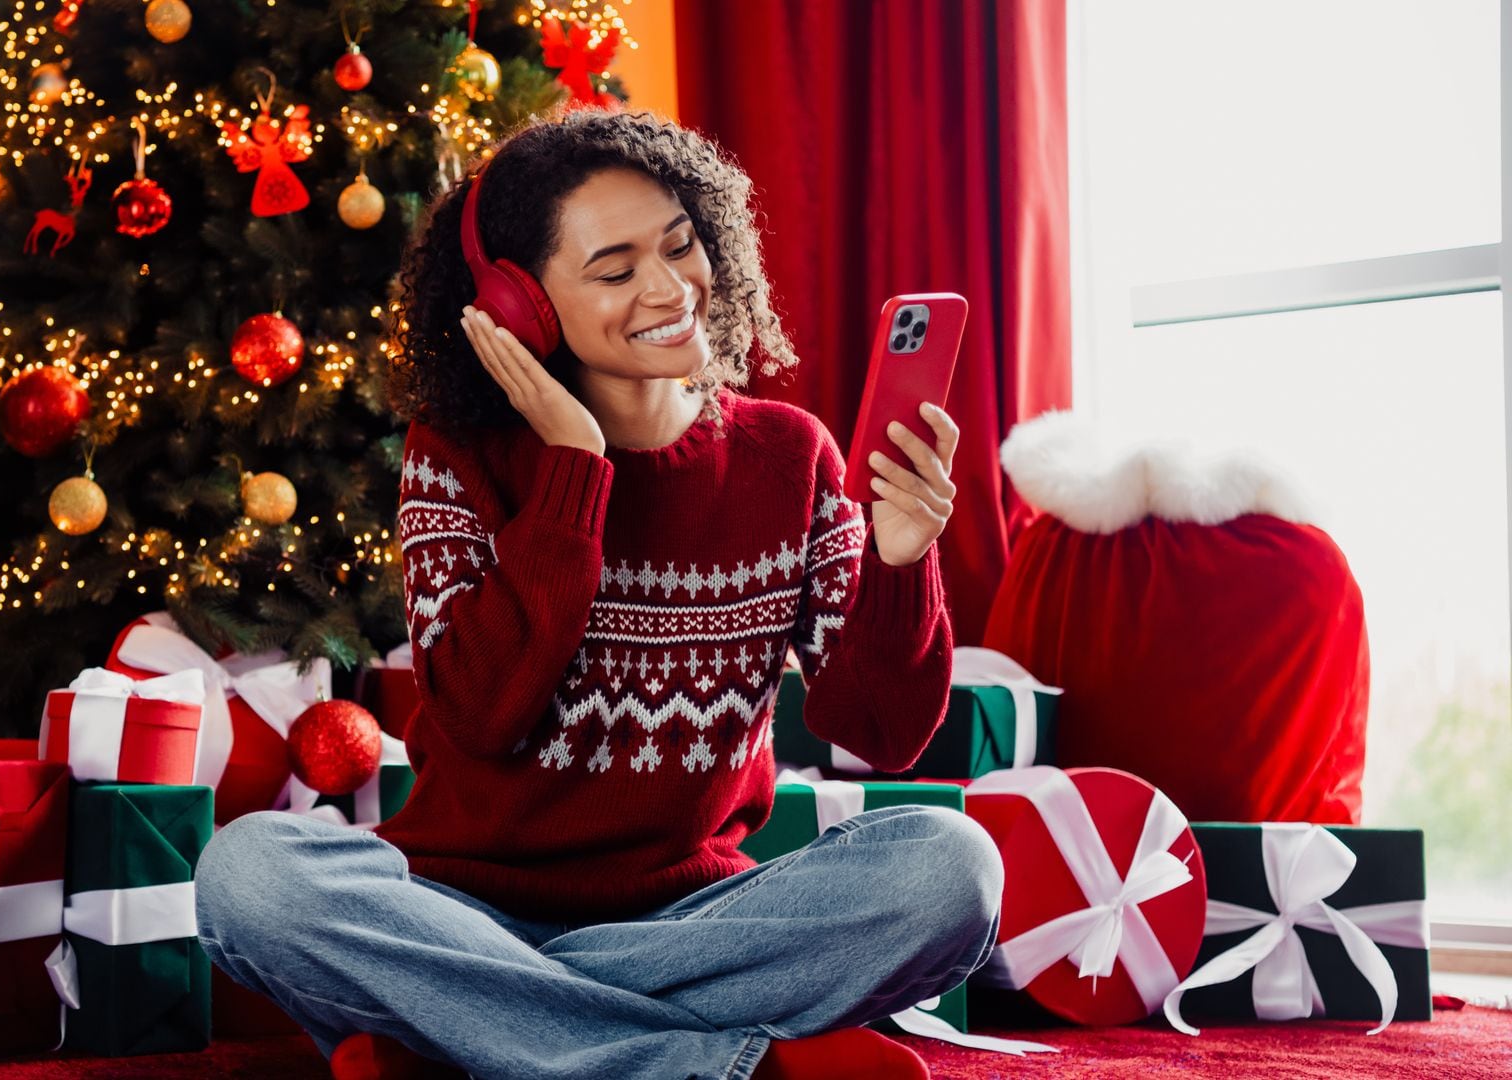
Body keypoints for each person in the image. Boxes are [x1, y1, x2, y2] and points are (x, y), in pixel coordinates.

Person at [196, 107, 1003, 1080]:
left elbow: (882, 730)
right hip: (459, 905)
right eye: (615, 271)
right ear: (526, 307)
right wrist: (572, 471)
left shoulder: (792, 458)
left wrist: (902, 559)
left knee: (953, 868)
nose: (670, 289)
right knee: (248, 876)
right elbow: (484, 713)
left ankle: (470, 1035)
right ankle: (711, 1064)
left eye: (679, 245)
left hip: (693, 920)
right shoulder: (458, 460)